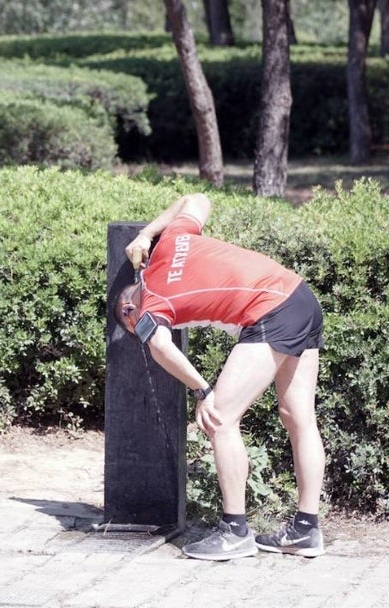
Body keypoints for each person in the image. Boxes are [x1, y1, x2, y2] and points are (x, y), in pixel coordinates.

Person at [114, 193, 326, 561]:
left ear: (128, 310)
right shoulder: (173, 243)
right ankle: (306, 530)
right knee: (299, 418)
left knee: (220, 419)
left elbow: (161, 346)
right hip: (301, 297)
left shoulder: (148, 306)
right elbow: (196, 199)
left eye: (130, 328)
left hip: (271, 312)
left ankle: (235, 531)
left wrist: (202, 390)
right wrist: (147, 234)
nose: (137, 331)